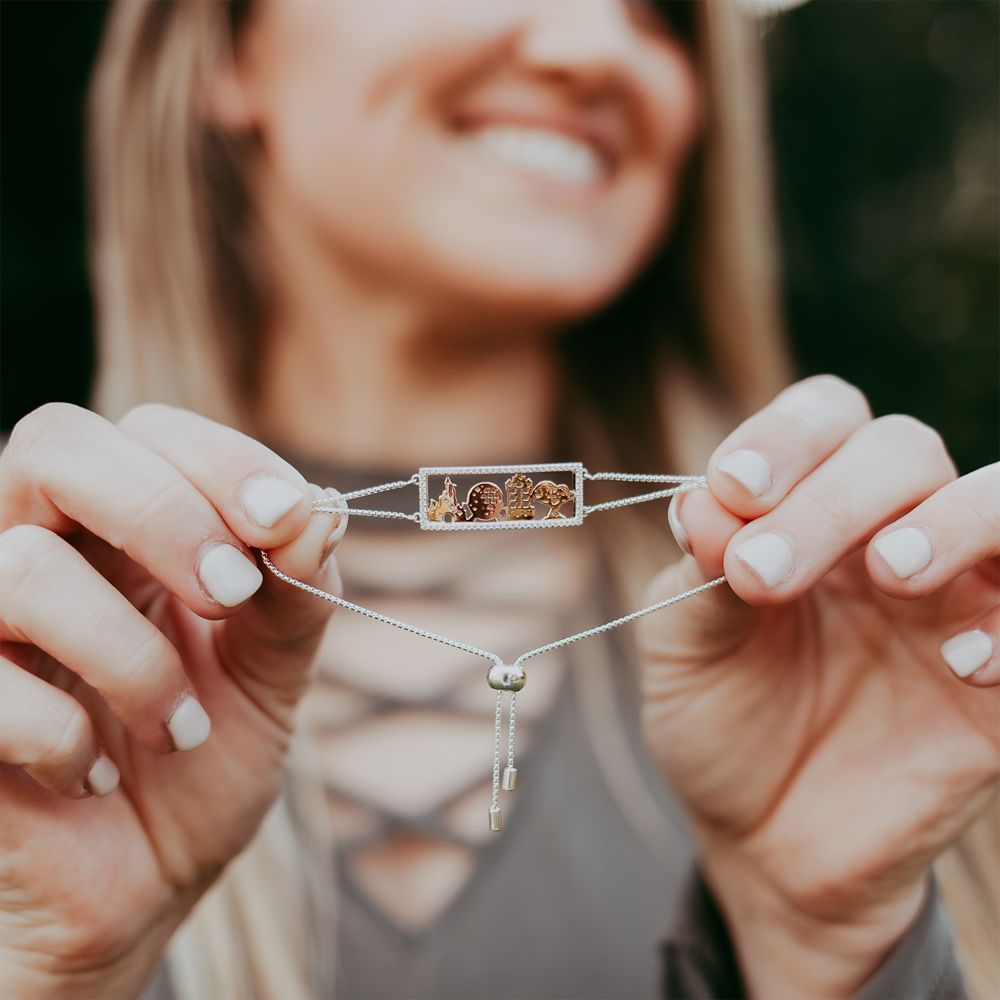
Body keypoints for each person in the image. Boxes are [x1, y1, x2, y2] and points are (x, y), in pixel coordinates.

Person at [1, 1, 996, 997]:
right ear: (225, 43)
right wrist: (40, 969)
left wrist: (825, 947)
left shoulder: (867, 638)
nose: (592, 46)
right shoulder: (36, 643)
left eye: (658, 14)